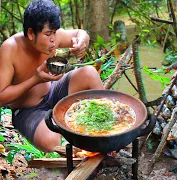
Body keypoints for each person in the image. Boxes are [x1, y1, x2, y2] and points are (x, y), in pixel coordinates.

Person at [0, 0, 104, 152]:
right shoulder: (10, 49)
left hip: (53, 91)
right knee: (51, 141)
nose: (53, 40)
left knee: (89, 73)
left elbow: (80, 34)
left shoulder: (53, 37)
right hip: (28, 110)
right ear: (30, 33)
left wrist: (81, 42)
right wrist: (35, 79)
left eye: (55, 32)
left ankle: (105, 128)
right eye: (48, 34)